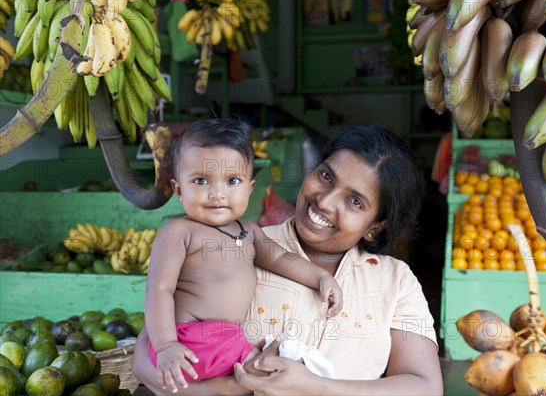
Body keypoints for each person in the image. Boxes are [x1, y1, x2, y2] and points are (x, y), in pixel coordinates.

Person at [133, 124, 444, 395]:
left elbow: (424, 387)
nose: (324, 200)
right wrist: (211, 391)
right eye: (325, 175)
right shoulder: (238, 245)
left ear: (376, 226)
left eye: (354, 201)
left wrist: (315, 388)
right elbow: (146, 355)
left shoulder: (394, 281)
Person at [144, 119, 343, 392]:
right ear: (179, 190)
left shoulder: (249, 232)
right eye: (201, 181)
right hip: (190, 339)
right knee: (263, 371)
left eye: (232, 181)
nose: (217, 194)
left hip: (223, 341)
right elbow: (159, 289)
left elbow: (282, 259)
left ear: (249, 188)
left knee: (265, 366)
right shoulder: (179, 232)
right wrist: (166, 345)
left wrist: (320, 277)